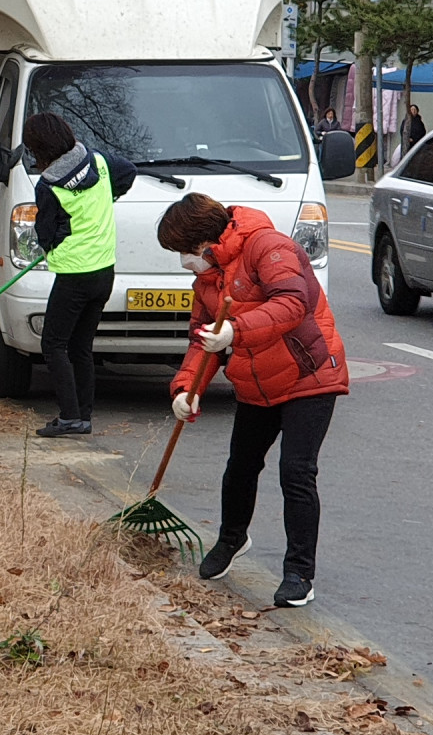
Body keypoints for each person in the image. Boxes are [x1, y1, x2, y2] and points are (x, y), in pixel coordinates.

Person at [156, 191, 349, 609]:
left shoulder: (268, 246)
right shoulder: (208, 280)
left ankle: (299, 572)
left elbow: (292, 303)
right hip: (258, 382)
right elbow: (202, 341)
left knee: (296, 472)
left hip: (309, 375)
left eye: (183, 253)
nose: (183, 263)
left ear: (203, 244)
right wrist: (186, 389)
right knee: (241, 465)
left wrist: (235, 332)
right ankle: (231, 540)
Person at [22, 112, 135, 439]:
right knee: (81, 346)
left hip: (74, 274)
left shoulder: (48, 185)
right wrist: (110, 195)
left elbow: (44, 233)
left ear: (39, 147)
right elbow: (129, 171)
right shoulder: (99, 162)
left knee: (53, 344)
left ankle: (70, 416)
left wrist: (56, 240)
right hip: (104, 271)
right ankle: (82, 416)